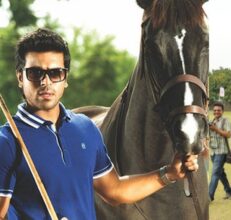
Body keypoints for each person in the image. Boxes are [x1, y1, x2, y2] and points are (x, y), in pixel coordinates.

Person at [0, 28, 198, 219]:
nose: (46, 82)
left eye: (55, 73)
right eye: (35, 73)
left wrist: (169, 173)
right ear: (20, 77)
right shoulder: (7, 141)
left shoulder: (85, 128)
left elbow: (114, 190)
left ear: (65, 78)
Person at [208, 102, 231, 201]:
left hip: (222, 151)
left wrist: (216, 129)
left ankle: (209, 196)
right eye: (214, 110)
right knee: (220, 173)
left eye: (218, 110)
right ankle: (229, 191)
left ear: (222, 111)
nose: (216, 112)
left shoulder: (225, 121)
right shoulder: (211, 121)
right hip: (213, 152)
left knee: (215, 173)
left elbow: (228, 134)